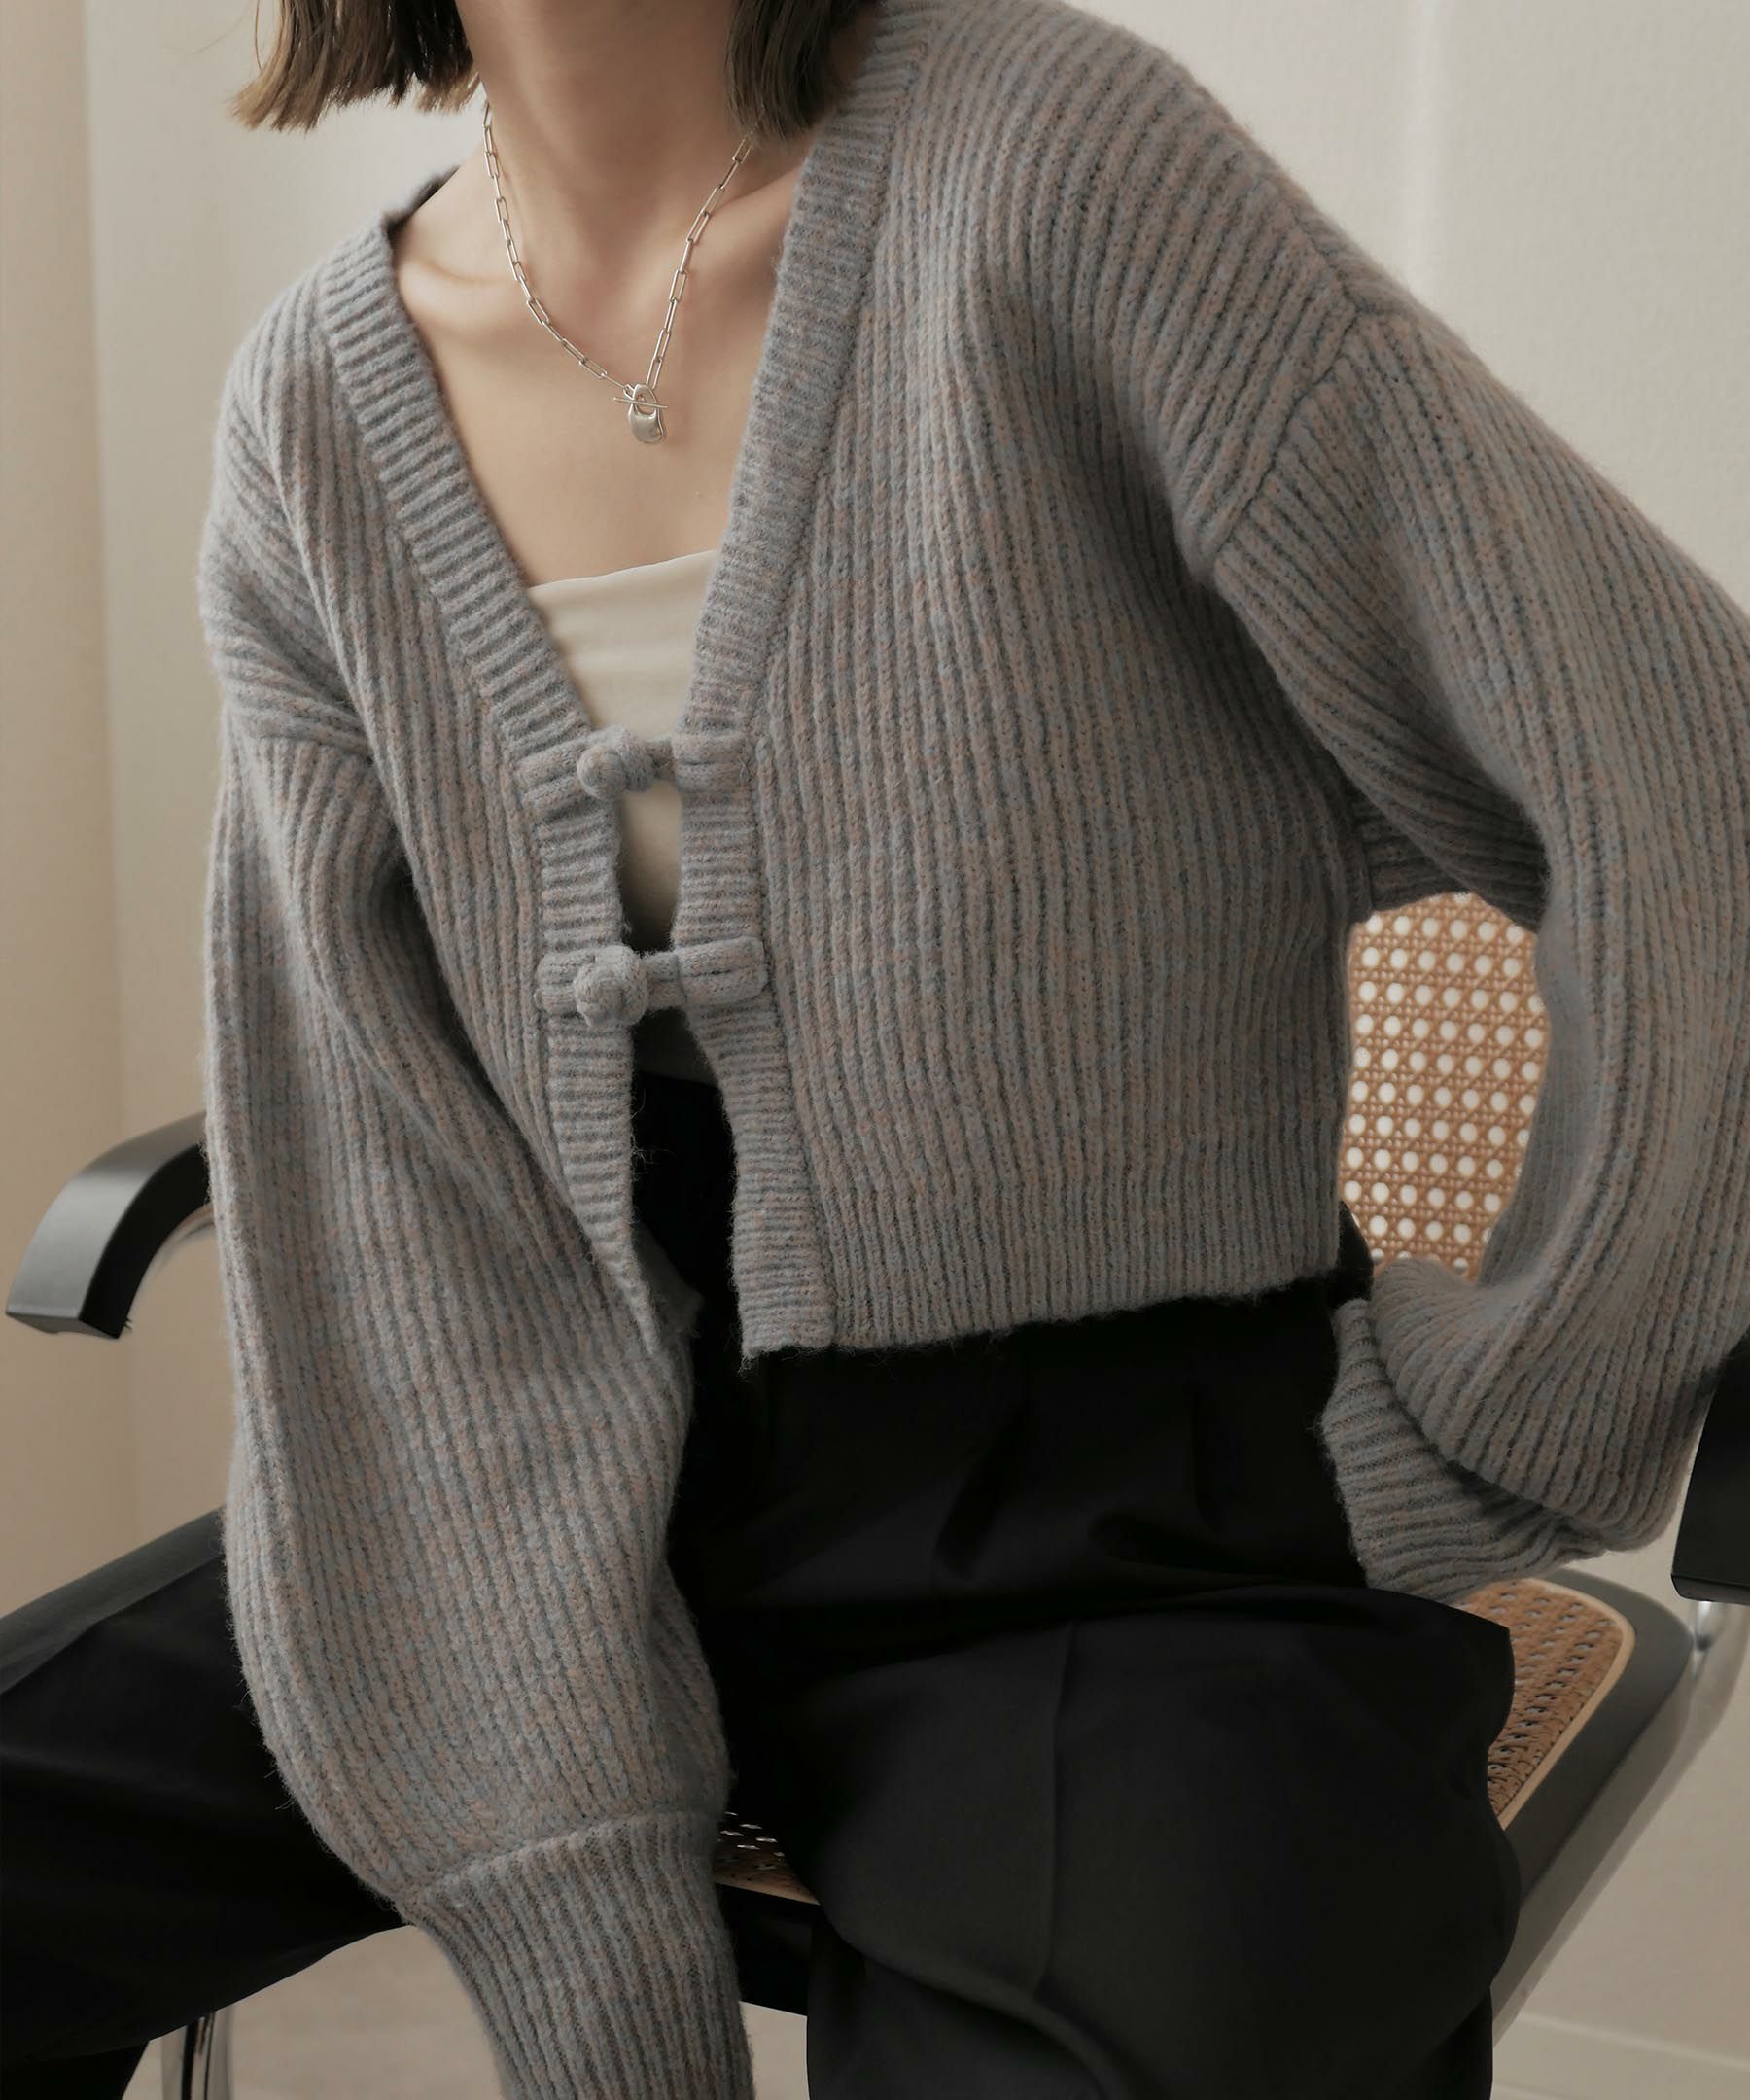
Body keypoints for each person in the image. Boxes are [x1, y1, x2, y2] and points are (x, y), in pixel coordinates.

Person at [7, 0, 1748, 2093]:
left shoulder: (1051, 171)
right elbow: (371, 1134)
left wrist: (1518, 1406)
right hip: (525, 1503)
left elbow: (1690, 783)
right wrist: (568, 1881)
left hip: (1120, 1530)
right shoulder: (316, 408)